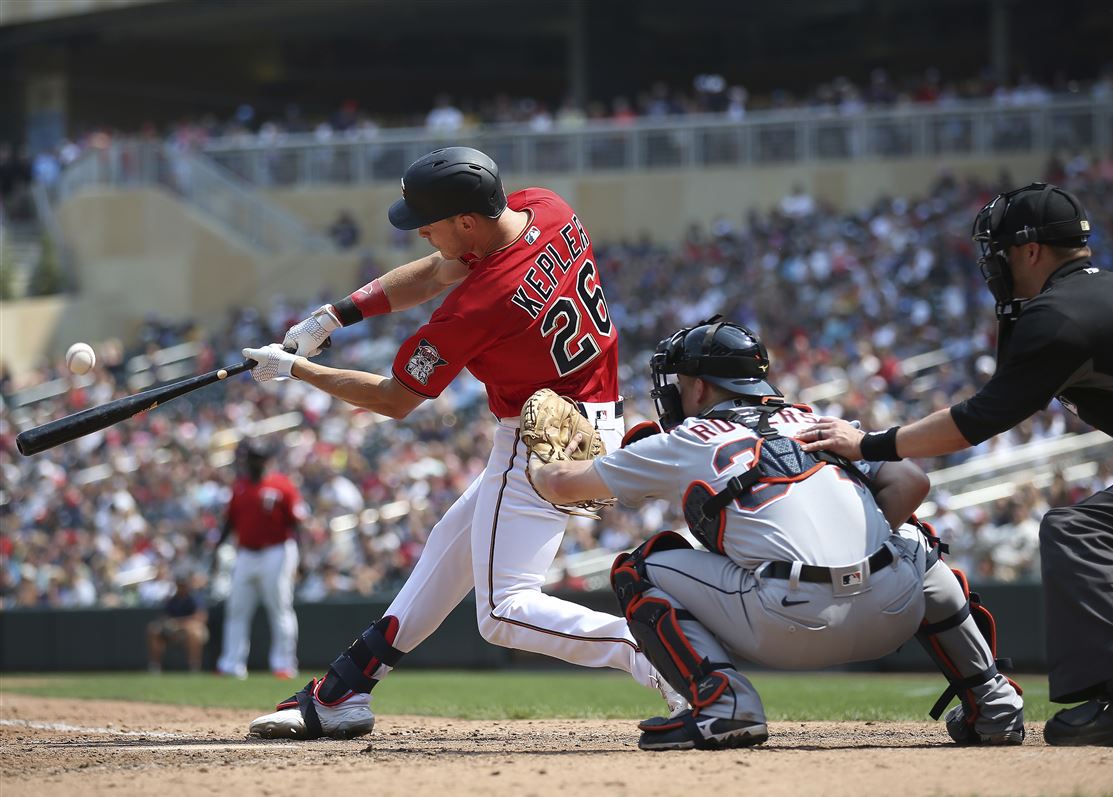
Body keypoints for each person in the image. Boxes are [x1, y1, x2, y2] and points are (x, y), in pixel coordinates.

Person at [241, 146, 684, 740]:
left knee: (505, 611)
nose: (421, 232)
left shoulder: (479, 304)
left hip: (546, 440)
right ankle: (343, 692)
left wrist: (298, 371)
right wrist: (334, 317)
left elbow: (395, 399)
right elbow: (440, 269)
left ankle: (666, 657)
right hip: (588, 417)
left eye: (429, 222)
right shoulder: (547, 208)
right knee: (448, 553)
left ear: (467, 221)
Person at [528, 317, 1025, 751]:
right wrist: (858, 552)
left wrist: (536, 461)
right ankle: (993, 700)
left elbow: (565, 485)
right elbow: (912, 483)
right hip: (895, 610)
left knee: (637, 568)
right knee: (916, 539)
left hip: (789, 624)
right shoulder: (815, 419)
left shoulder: (685, 439)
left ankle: (726, 704)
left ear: (699, 387)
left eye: (681, 381)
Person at [800, 182, 1113, 747]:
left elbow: (978, 419)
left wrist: (868, 444)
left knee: (1080, 531)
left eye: (1001, 252)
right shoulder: (1112, 292)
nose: (996, 267)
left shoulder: (1060, 315)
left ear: (1030, 252)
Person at [214, 438, 305, 680]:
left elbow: (296, 525)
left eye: (255, 458)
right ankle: (231, 664)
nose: (251, 463)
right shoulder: (240, 487)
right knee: (237, 609)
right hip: (245, 553)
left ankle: (284, 664)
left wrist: (301, 558)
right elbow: (230, 522)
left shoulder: (282, 485)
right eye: (249, 458)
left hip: (277, 551)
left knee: (279, 606)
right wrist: (217, 549)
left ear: (265, 460)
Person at [146, 572, 209, 674]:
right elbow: (165, 617)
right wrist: (168, 623)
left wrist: (180, 622)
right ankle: (155, 666)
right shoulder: (173, 599)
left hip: (194, 631)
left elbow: (201, 618)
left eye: (183, 585)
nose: (181, 587)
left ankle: (194, 667)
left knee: (193, 631)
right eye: (179, 585)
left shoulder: (195, 597)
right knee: (154, 629)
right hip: (175, 631)